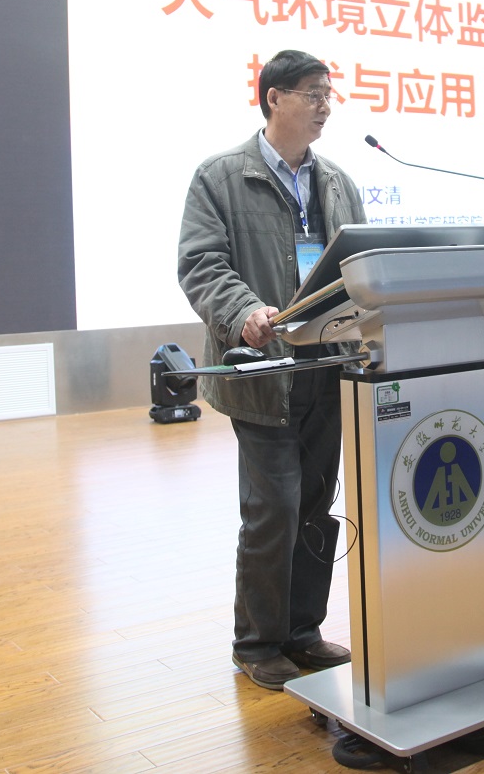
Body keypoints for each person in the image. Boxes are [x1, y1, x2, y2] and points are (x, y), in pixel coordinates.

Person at [178, 49, 367, 690]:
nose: (324, 106)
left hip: (328, 365)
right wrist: (243, 311)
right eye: (313, 93)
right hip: (261, 370)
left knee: (316, 505)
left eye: (328, 94)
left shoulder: (338, 182)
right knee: (274, 508)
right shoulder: (221, 177)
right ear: (274, 98)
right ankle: (257, 642)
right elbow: (201, 263)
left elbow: (361, 268)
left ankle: (303, 631)